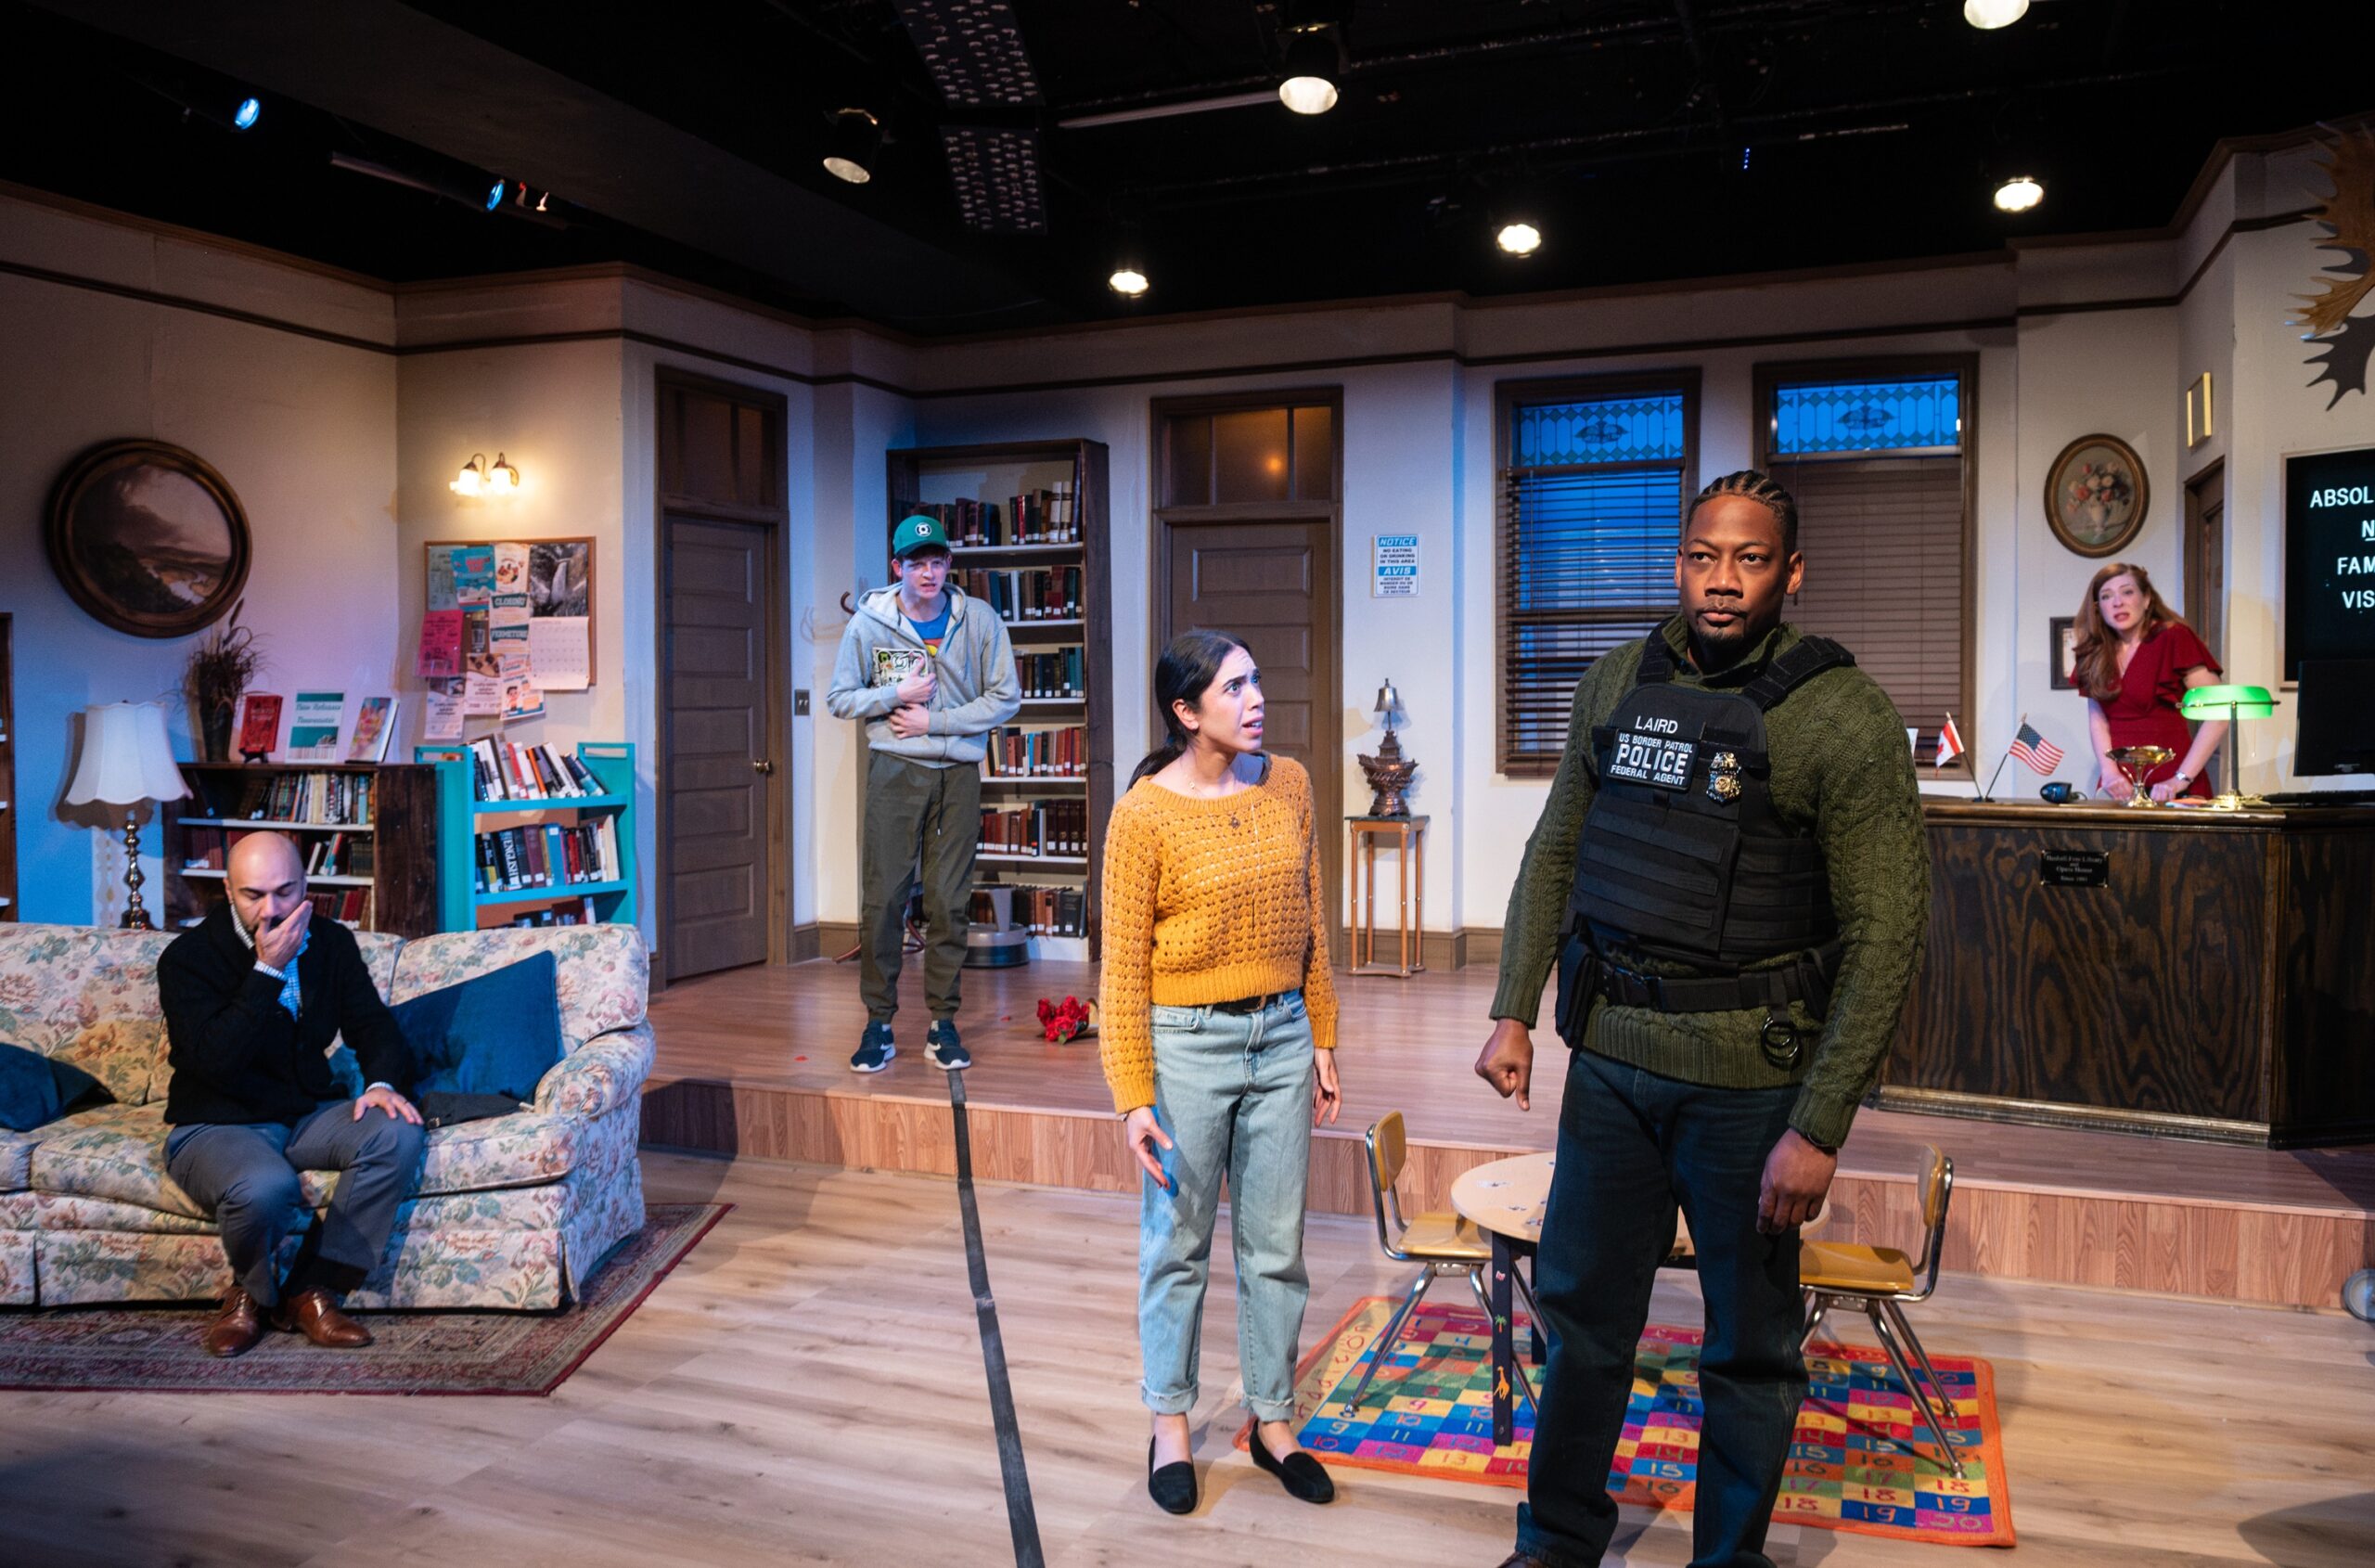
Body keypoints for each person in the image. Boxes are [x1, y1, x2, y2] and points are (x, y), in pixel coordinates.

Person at [1475, 470, 1930, 1568]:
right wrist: (1512, 1009)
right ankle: (1557, 1542)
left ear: (1791, 571)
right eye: (1702, 557)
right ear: (1677, 563)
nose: (1722, 581)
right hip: (1609, 1065)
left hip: (1750, 1085)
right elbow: (1556, 848)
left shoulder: (1842, 715)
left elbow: (1888, 932)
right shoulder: (1615, 680)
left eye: (1750, 559)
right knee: (1580, 1320)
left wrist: (1819, 1124)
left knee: (1750, 1348)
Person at [1098, 631, 1344, 1516]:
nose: (1255, 699)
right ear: (1185, 711)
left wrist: (1323, 1033)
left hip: (1281, 1037)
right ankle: (1170, 1422)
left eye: (1256, 680)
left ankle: (1273, 1421)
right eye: (1233, 686)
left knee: (1277, 1246)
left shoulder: (1290, 785)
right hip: (1186, 1046)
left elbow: (1311, 918)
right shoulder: (1143, 815)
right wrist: (1133, 1096)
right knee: (1178, 1244)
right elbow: (1122, 969)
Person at [157, 831, 425, 1359]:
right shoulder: (188, 959)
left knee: (397, 1131)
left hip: (304, 1112)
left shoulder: (330, 942)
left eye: (285, 892)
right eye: (253, 895)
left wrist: (380, 1085)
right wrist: (268, 971)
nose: (271, 910)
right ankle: (252, 1296)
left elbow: (373, 1027)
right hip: (217, 1122)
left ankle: (311, 1290)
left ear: (306, 885)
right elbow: (215, 1063)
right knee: (265, 1187)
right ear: (228, 891)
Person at [826, 513, 1021, 1073]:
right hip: (895, 770)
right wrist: (894, 694)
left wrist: (935, 722)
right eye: (917, 564)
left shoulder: (979, 619)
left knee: (948, 901)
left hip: (957, 774)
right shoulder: (869, 624)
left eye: (937, 562)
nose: (928, 573)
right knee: (884, 898)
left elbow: (1005, 697)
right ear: (898, 567)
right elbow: (840, 698)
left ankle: (943, 1022)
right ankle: (878, 1023)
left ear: (949, 564)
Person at [2071, 561, 2227, 803]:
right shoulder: (2094, 651)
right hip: (2117, 786)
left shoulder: (2174, 637)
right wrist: (2109, 773)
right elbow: (2098, 722)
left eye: (2127, 592)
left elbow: (2221, 710)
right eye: (2106, 596)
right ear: (2098, 608)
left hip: (2173, 785)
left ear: (2146, 599)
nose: (2117, 602)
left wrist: (2181, 778)